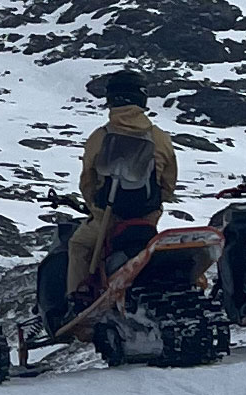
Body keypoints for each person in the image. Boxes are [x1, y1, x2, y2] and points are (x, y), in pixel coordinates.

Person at [68, 70, 178, 305]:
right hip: (147, 220)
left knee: (78, 246)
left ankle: (78, 299)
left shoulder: (100, 137)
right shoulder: (160, 137)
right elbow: (168, 184)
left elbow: (87, 181)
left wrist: (95, 208)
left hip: (108, 219)